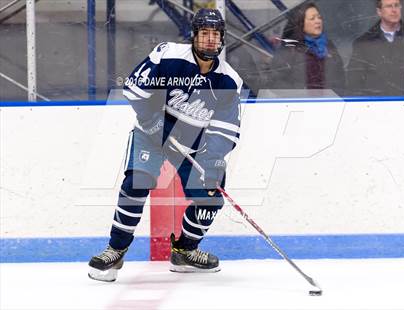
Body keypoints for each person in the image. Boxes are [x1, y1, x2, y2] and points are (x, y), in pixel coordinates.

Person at [88, 8, 242, 282]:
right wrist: (152, 121)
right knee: (136, 182)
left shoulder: (229, 80)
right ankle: (116, 249)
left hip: (193, 142)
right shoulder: (167, 54)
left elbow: (226, 129)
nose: (209, 40)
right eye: (204, 33)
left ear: (222, 40)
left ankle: (185, 251)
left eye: (215, 35)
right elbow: (135, 87)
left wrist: (213, 159)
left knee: (211, 193)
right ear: (194, 36)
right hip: (152, 131)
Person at [265, 2, 345, 96]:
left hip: (328, 105)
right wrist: (299, 95)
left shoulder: (329, 46)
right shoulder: (290, 48)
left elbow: (340, 78)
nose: (318, 21)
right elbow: (275, 82)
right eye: (312, 18)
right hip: (299, 106)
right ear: (301, 23)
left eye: (319, 17)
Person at [347, 0, 404, 96]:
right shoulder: (364, 43)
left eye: (396, 5)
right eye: (389, 6)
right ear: (379, 12)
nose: (394, 10)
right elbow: (354, 84)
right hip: (375, 107)